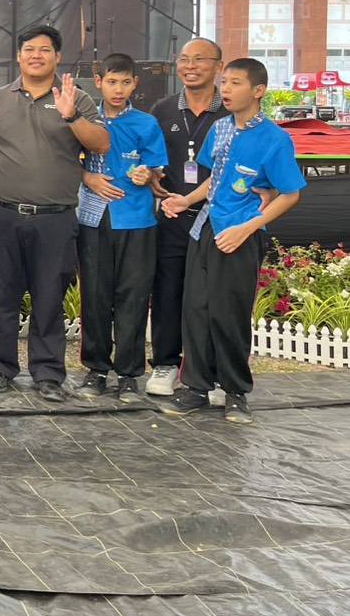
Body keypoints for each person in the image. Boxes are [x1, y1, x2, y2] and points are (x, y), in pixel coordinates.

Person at [160, 58, 306, 424]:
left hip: (239, 235)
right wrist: (186, 200)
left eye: (235, 83)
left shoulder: (274, 139)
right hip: (205, 229)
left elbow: (290, 194)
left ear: (258, 91)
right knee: (196, 309)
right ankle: (195, 387)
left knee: (229, 314)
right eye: (224, 82)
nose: (225, 89)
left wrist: (249, 227)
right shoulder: (221, 128)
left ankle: (235, 391)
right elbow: (217, 178)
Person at [0, 24, 111, 401]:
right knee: (3, 295)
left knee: (50, 297)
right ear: (18, 56)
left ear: (57, 57)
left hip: (55, 218)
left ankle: (48, 373)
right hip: (4, 213)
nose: (36, 55)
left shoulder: (77, 98)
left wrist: (71, 116)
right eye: (29, 49)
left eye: (44, 50)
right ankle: (0, 367)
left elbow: (102, 144)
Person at [75, 53, 168, 402]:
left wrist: (148, 174)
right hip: (93, 218)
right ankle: (96, 369)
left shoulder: (146, 123)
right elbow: (65, 161)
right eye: (112, 82)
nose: (118, 89)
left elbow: (157, 169)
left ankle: (128, 374)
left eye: (125, 82)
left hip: (137, 220)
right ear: (98, 82)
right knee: (95, 296)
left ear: (135, 84)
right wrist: (88, 177)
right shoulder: (85, 120)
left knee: (133, 297)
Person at [145, 38, 229, 397]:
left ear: (219, 66)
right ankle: (165, 364)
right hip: (172, 216)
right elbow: (147, 155)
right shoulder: (162, 110)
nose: (190, 66)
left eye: (199, 60)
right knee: (168, 290)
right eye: (184, 59)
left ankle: (212, 372)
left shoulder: (229, 111)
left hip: (217, 219)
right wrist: (150, 176)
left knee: (213, 296)